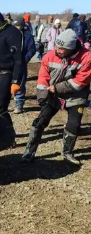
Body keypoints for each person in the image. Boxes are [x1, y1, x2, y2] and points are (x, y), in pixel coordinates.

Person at [22, 29, 91, 165]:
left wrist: (57, 88)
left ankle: (67, 153)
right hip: (53, 94)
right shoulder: (49, 56)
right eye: (56, 47)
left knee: (74, 124)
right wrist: (42, 94)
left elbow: (80, 81)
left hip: (76, 95)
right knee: (40, 121)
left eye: (62, 49)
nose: (57, 50)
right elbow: (43, 76)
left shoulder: (87, 57)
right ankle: (29, 152)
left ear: (71, 48)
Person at [13, 16, 37, 114]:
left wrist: (24, 59)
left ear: (22, 26)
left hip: (21, 64)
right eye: (14, 26)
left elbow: (32, 49)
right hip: (9, 63)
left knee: (20, 83)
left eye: (18, 26)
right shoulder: (9, 35)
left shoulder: (27, 36)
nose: (16, 28)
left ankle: (19, 103)